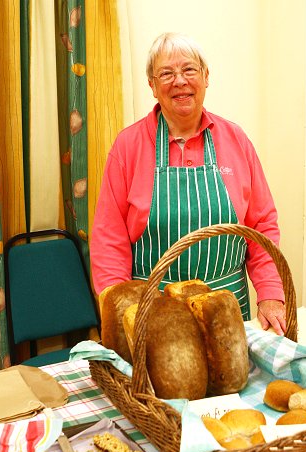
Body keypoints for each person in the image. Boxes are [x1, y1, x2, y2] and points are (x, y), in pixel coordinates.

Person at [90, 32, 286, 335]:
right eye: (166, 73)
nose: (179, 80)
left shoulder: (236, 140)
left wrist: (271, 293)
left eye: (189, 70)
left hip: (229, 312)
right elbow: (108, 240)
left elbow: (262, 226)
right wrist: (119, 312)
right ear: (152, 86)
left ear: (206, 77)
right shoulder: (128, 146)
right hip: (151, 313)